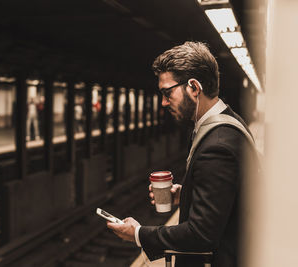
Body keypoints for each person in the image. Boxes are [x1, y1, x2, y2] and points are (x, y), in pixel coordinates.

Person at [107, 41, 258, 267]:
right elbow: (228, 198)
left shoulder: (218, 146)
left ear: (194, 88)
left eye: (168, 93)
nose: (164, 102)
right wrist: (186, 195)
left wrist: (138, 233)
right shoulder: (230, 122)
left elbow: (201, 234)